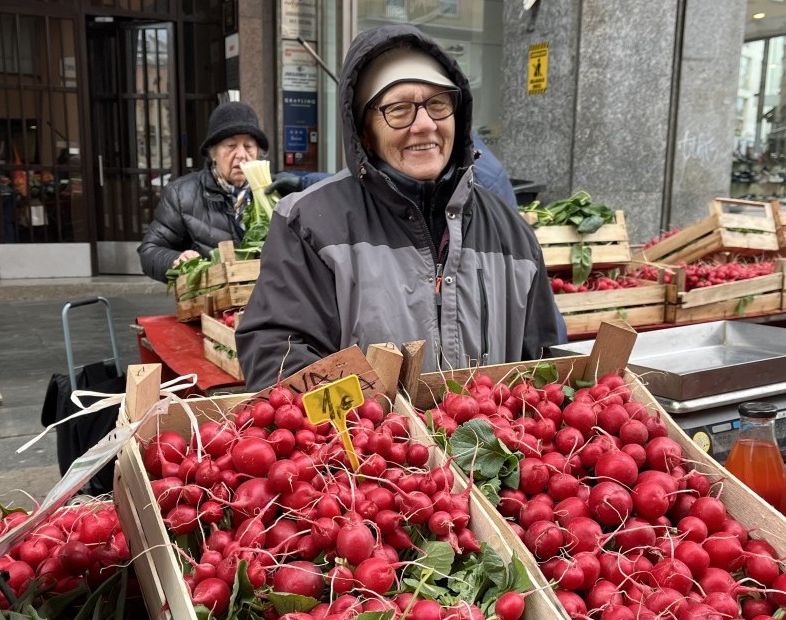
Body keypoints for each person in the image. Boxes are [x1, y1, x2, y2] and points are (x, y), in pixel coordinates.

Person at [234, 24, 562, 390]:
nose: (424, 125)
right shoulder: (309, 224)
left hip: (491, 446)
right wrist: (386, 429)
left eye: (438, 104)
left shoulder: (510, 231)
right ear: (364, 132)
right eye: (399, 109)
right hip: (365, 446)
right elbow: (278, 356)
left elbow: (548, 364)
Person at [137, 102, 270, 282]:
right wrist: (176, 260)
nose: (241, 154)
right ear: (213, 153)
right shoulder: (181, 194)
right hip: (213, 303)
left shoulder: (274, 193)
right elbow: (149, 252)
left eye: (248, 146)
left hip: (269, 303)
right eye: (231, 146)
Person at [267, 130, 519, 209]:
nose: (421, 125)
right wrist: (305, 182)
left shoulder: (481, 176)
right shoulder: (457, 147)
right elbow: (375, 182)